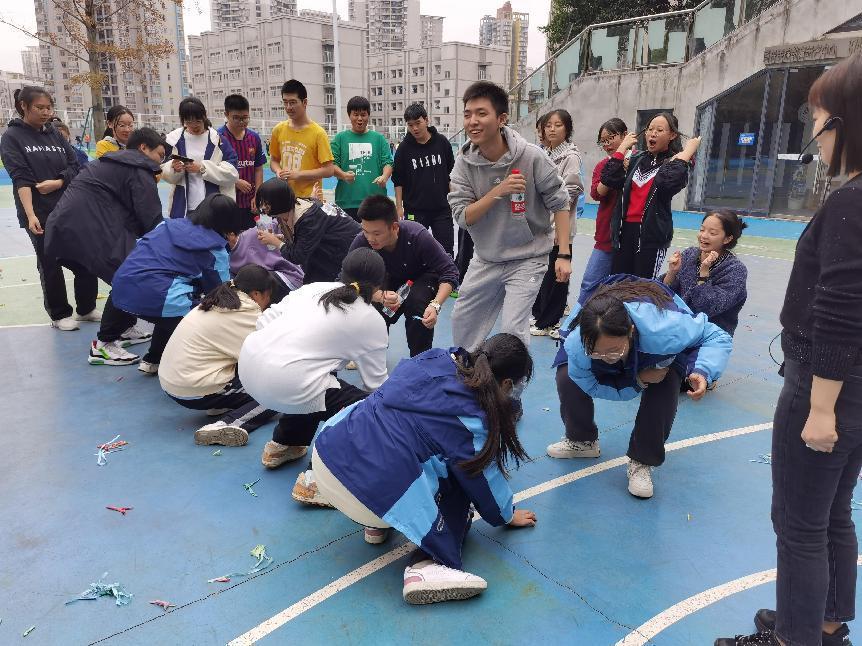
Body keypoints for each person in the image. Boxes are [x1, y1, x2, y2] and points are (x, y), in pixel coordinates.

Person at [715, 53, 862, 646]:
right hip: (856, 389)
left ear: (846, 125)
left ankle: (794, 638)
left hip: (828, 387)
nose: (817, 139)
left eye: (821, 124)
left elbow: (841, 311)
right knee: (832, 514)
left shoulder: (852, 203)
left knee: (798, 524)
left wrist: (820, 407)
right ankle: (823, 622)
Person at [309, 333, 538, 603]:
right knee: (460, 482)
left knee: (395, 432)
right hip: (369, 493)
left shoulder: (437, 357)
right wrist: (505, 514)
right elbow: (483, 479)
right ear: (508, 383)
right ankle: (426, 566)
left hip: (327, 457)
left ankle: (377, 526)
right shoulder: (471, 416)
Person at [548, 276, 731, 499]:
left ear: (631, 332)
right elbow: (589, 384)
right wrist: (637, 381)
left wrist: (702, 370)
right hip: (610, 340)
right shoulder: (577, 343)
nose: (606, 359)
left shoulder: (666, 329)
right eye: (597, 352)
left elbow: (715, 334)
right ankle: (581, 440)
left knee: (665, 382)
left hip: (654, 348)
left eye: (613, 350)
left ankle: (642, 462)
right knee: (567, 375)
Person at [238, 248, 389, 470]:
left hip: (248, 368)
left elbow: (265, 320)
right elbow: (376, 386)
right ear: (380, 284)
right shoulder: (371, 319)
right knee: (369, 412)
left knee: (316, 376)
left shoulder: (315, 287)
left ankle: (286, 443)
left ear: (342, 273)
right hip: (289, 384)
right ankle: (323, 477)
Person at [449, 81, 571, 351]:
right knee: (462, 320)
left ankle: (510, 389)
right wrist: (498, 192)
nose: (472, 121)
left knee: (513, 331)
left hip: (528, 256)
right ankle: (468, 377)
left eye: (481, 113)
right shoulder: (463, 163)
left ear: (502, 119)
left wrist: (563, 254)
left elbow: (560, 201)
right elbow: (462, 217)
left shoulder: (531, 156)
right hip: (487, 257)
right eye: (468, 114)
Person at [43, 127, 168, 364]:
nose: (161, 162)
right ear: (143, 148)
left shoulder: (111, 162)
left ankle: (123, 328)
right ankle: (104, 344)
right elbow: (150, 218)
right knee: (131, 275)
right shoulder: (139, 167)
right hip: (88, 227)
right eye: (160, 155)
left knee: (126, 271)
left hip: (66, 226)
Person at [0, 86, 97, 331]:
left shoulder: (53, 133)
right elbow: (20, 177)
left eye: (48, 108)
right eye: (39, 108)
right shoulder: (12, 137)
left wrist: (59, 181)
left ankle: (86, 308)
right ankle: (59, 313)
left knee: (86, 258)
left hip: (67, 209)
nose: (45, 113)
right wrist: (31, 215)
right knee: (49, 261)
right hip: (39, 212)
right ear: (24, 106)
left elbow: (75, 164)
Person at [108, 193, 240, 373]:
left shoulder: (166, 225)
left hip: (121, 289)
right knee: (203, 313)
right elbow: (222, 294)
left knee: (175, 303)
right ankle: (204, 367)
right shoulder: (216, 250)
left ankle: (153, 359)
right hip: (158, 297)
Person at [158, 264, 280, 447]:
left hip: (174, 381)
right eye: (268, 296)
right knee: (279, 391)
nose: (268, 301)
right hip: (193, 387)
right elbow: (269, 357)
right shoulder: (246, 312)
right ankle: (227, 424)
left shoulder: (222, 297)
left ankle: (220, 401)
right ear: (256, 294)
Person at [349, 194, 459, 357]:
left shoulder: (417, 235)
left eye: (377, 233)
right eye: (366, 231)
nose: (370, 239)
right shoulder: (362, 241)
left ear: (394, 227)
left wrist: (435, 305)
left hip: (423, 275)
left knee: (418, 304)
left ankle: (420, 359)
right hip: (388, 278)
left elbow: (450, 271)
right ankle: (372, 354)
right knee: (373, 308)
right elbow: (347, 278)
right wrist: (377, 296)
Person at [602, 112, 700, 279]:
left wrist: (687, 152)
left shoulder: (675, 163)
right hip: (625, 232)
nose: (652, 133)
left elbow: (667, 183)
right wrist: (622, 148)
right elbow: (608, 179)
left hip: (651, 236)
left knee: (642, 289)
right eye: (649, 129)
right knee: (617, 285)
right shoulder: (636, 159)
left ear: (672, 135)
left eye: (659, 130)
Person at [530, 108, 584, 338]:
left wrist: (553, 207)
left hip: (559, 226)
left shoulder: (570, 156)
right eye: (548, 125)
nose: (551, 129)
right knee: (544, 273)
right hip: (542, 226)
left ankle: (550, 321)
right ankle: (542, 315)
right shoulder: (543, 153)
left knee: (558, 274)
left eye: (558, 125)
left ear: (567, 129)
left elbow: (571, 190)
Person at [254, 177, 360, 284]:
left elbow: (298, 256)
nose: (263, 207)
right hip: (331, 251)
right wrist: (281, 239)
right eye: (261, 202)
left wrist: (275, 242)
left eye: (266, 203)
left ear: (279, 201)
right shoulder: (294, 207)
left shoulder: (308, 218)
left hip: (347, 252)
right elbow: (304, 238)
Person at [662, 209, 748, 337]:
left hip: (710, 333)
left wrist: (704, 273)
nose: (704, 236)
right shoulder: (690, 254)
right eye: (702, 230)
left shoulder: (735, 270)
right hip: (679, 324)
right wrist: (672, 273)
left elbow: (707, 308)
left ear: (727, 238)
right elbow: (661, 293)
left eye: (712, 233)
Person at [392, 103, 456, 256]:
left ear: (427, 120)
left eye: (418, 123)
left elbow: (452, 174)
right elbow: (398, 180)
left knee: (446, 250)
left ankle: (448, 279)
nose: (414, 128)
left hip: (442, 208)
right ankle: (418, 279)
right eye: (410, 125)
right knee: (413, 250)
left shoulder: (442, 143)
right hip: (415, 209)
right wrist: (399, 206)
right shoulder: (404, 149)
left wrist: (454, 199)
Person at [161, 97, 239, 218]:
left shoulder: (218, 140)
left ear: (204, 116)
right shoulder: (173, 140)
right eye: (189, 121)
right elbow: (162, 168)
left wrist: (202, 168)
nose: (194, 125)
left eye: (198, 120)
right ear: (183, 120)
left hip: (213, 206)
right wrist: (173, 168)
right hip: (183, 206)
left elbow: (232, 173)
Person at [578, 117, 628, 305]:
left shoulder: (639, 161)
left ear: (625, 135)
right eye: (603, 141)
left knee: (624, 287)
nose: (607, 144)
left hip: (632, 236)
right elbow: (597, 193)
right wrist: (616, 162)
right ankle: (578, 323)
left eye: (611, 138)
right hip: (606, 234)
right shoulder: (602, 166)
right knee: (590, 282)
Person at [269, 79, 334, 199]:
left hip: (311, 199)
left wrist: (298, 175)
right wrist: (278, 171)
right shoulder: (278, 130)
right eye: (285, 102)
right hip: (285, 197)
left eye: (293, 102)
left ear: (304, 102)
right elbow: (274, 160)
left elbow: (329, 170)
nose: (288, 107)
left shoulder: (318, 133)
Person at [332, 95, 393, 221]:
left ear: (368, 116)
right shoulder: (340, 138)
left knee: (377, 239)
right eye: (355, 114)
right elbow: (331, 165)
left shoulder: (379, 138)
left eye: (363, 115)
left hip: (376, 201)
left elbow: (388, 162)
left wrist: (384, 177)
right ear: (349, 115)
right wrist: (343, 175)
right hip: (347, 201)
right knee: (349, 240)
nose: (360, 119)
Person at [218, 94, 267, 229]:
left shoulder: (254, 137)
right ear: (226, 114)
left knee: (251, 241)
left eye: (245, 118)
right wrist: (235, 181)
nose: (241, 122)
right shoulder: (218, 137)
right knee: (230, 241)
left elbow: (258, 168)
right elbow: (213, 170)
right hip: (227, 201)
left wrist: (257, 196)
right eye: (237, 118)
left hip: (250, 204)